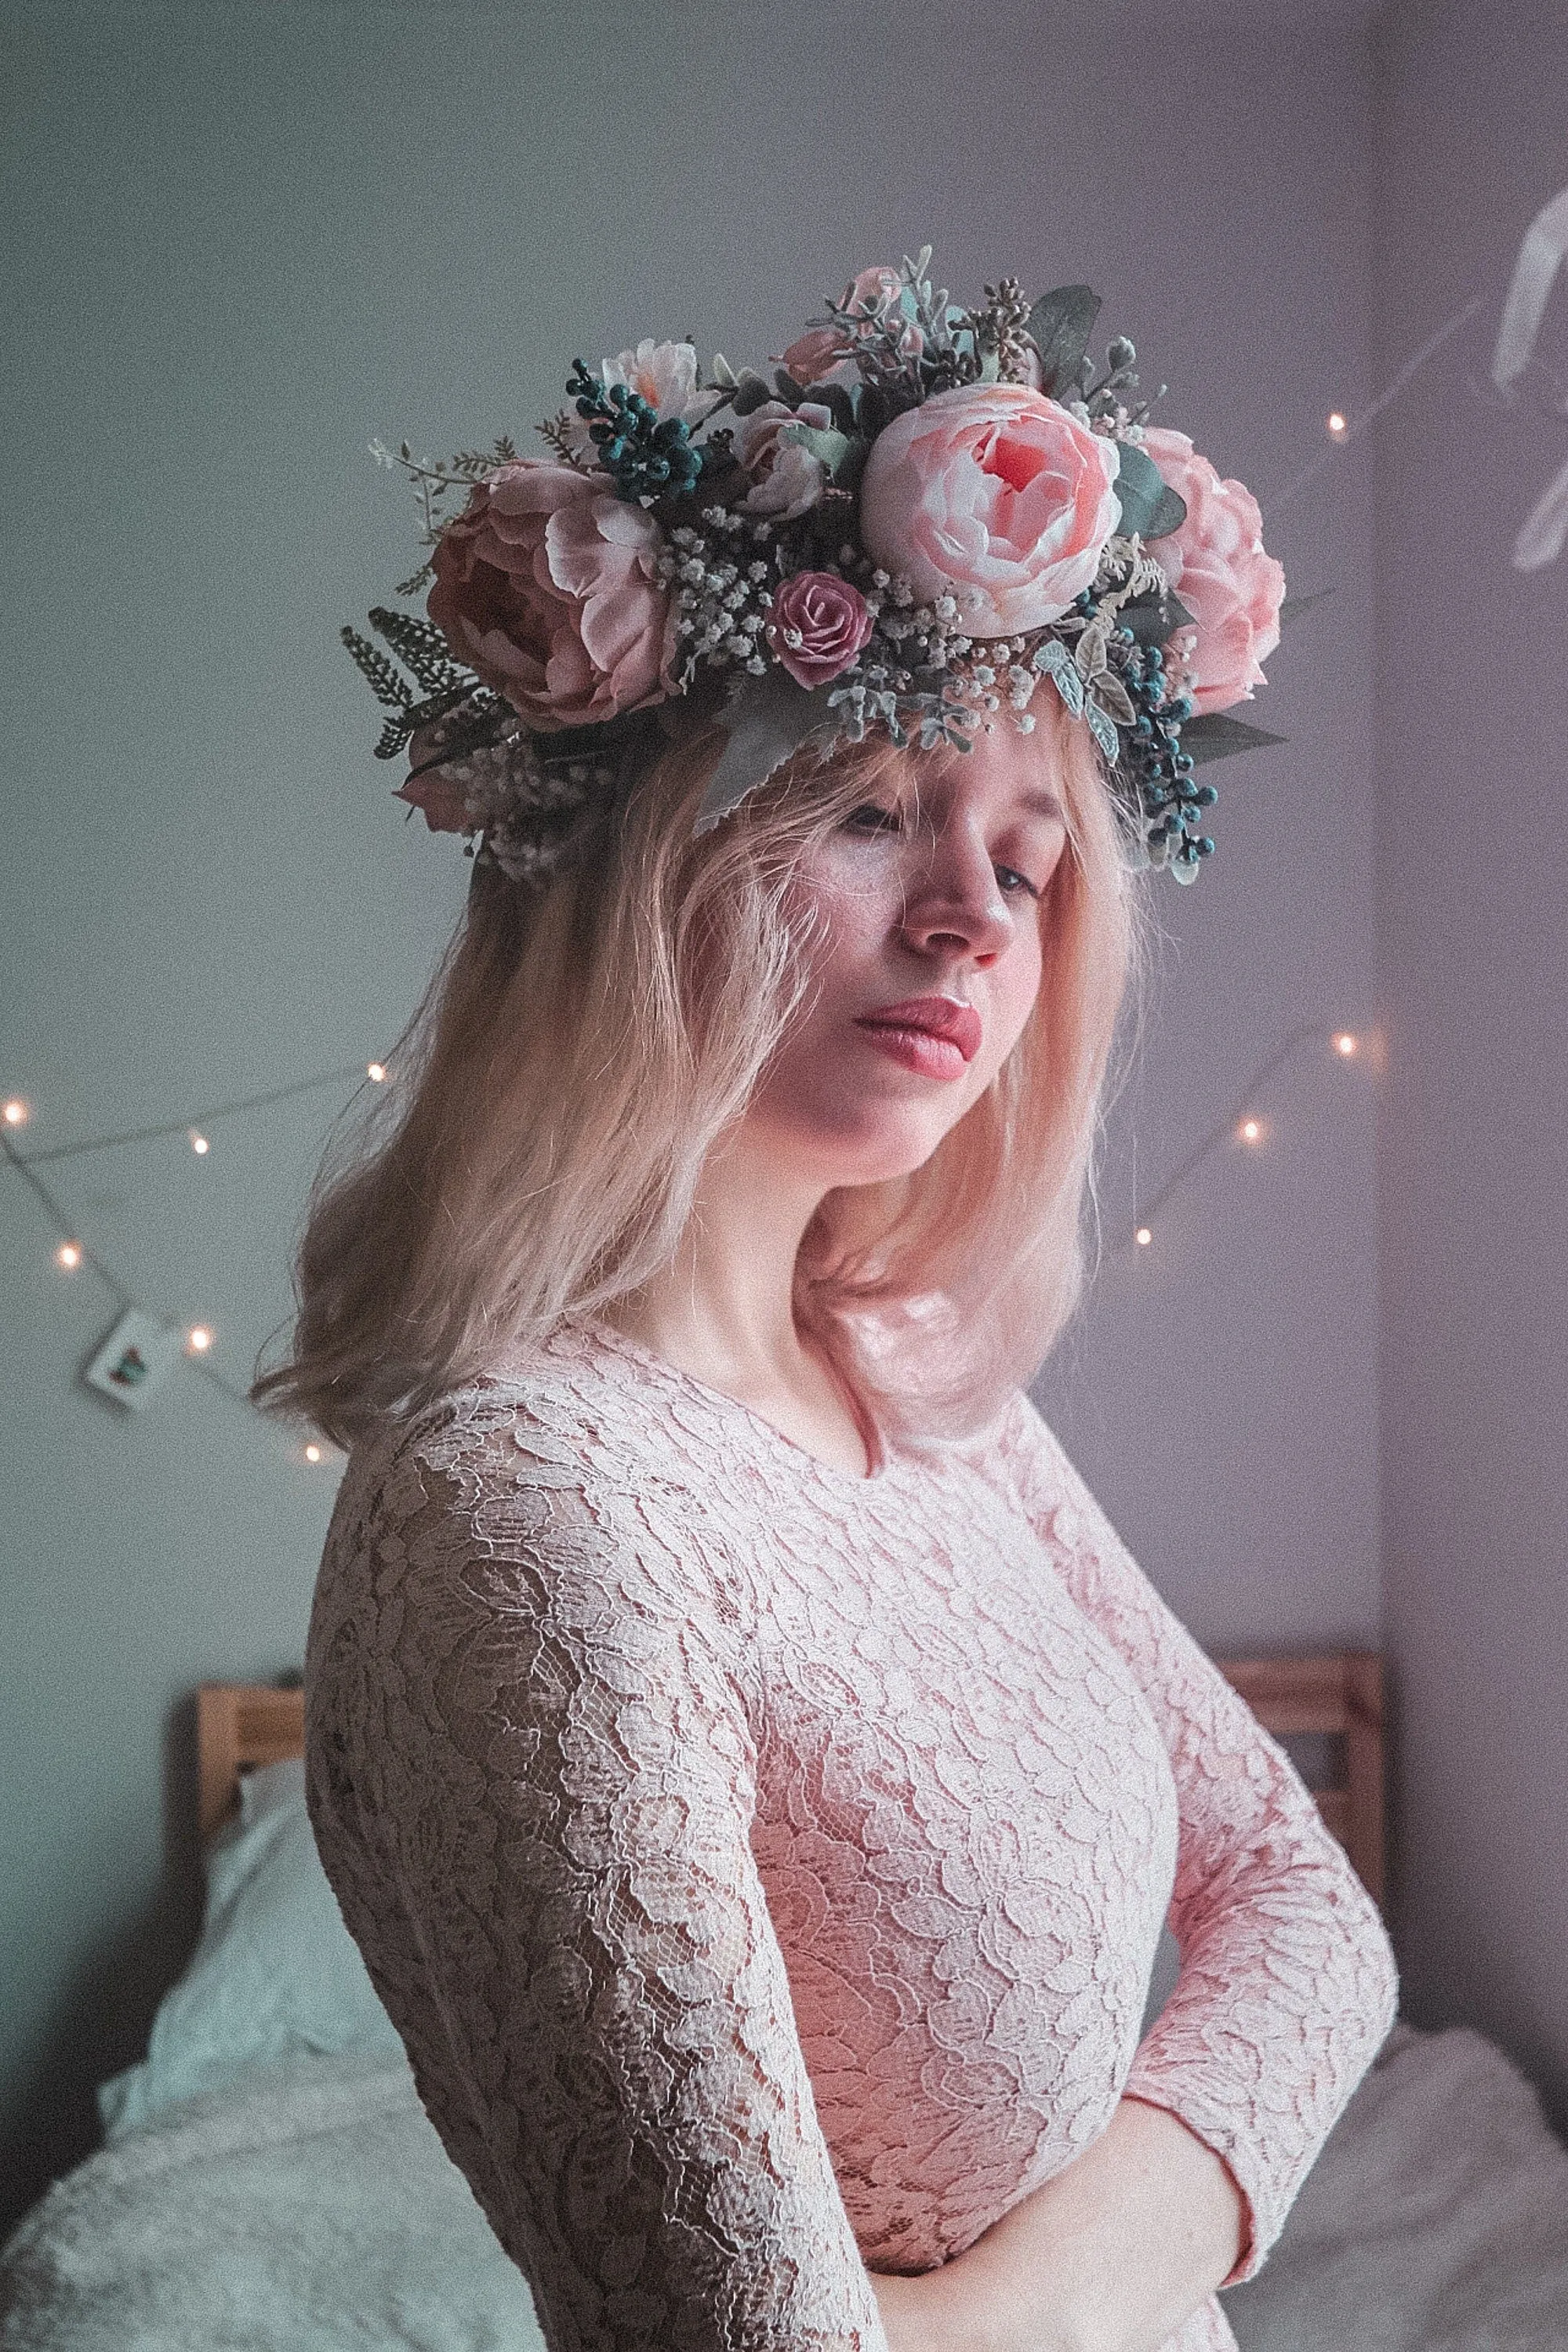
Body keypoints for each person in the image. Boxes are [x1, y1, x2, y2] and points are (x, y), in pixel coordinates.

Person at [261, 259, 1399, 2352]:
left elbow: (1314, 1916)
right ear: (634, 878)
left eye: (1033, 858)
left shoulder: (914, 1372)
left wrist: (1025, 2306)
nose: (973, 915)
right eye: (872, 814)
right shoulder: (525, 1512)